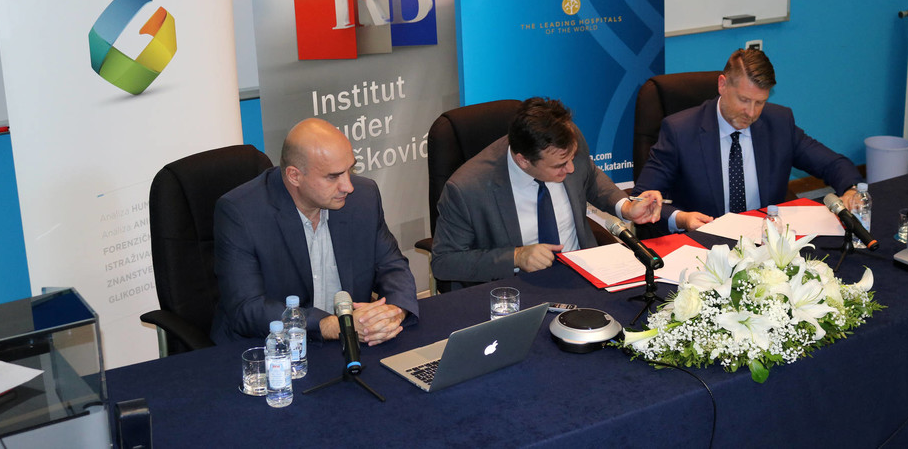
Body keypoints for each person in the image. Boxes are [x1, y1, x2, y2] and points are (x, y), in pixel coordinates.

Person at [210, 118, 417, 346]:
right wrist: (331, 325)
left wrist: (393, 312)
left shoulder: (363, 198)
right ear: (294, 176)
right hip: (270, 347)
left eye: (349, 170)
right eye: (333, 176)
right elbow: (247, 308)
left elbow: (392, 266)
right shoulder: (241, 213)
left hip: (352, 340)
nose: (348, 186)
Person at [430, 97, 663, 284]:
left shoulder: (567, 138)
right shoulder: (467, 188)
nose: (570, 169)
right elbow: (444, 262)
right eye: (560, 166)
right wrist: (516, 257)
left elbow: (589, 175)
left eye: (571, 158)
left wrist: (625, 206)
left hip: (585, 276)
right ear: (523, 160)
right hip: (519, 288)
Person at [633, 48, 865, 232]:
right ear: (722, 85)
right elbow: (642, 197)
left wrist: (851, 190)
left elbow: (833, 163)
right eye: (744, 100)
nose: (751, 113)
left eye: (760, 102)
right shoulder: (680, 131)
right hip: (705, 243)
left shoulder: (779, 123)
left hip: (764, 240)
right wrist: (681, 218)